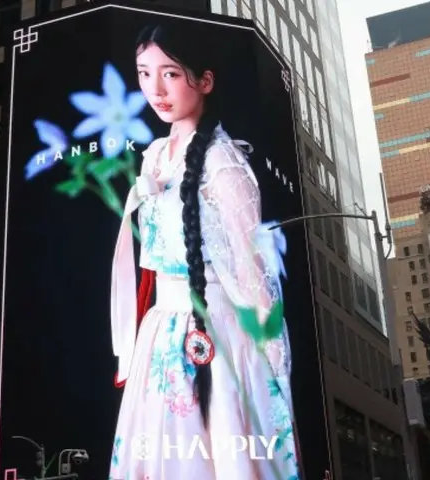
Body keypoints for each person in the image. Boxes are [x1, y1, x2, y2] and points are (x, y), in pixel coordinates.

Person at [109, 21, 299, 480]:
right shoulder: (155, 154)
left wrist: (273, 366)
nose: (156, 89)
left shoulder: (224, 163)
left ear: (205, 80)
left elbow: (255, 274)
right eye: (144, 73)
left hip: (215, 330)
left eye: (171, 74)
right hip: (162, 331)